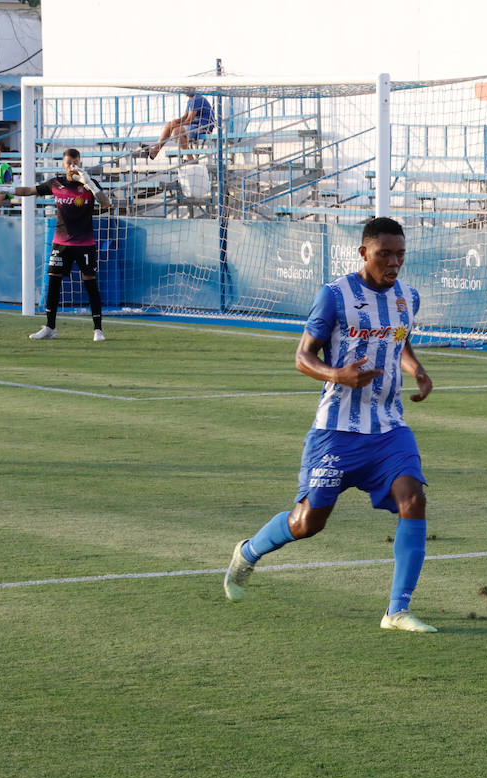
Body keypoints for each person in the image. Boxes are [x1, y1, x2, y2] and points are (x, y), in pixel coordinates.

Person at [222, 216, 439, 634]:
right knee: (308, 523)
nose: (393, 263)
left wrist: (418, 370)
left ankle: (396, 610)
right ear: (363, 252)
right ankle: (247, 552)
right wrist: (339, 375)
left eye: (400, 255)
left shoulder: (408, 296)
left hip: (389, 428)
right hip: (336, 431)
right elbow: (303, 357)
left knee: (414, 499)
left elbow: (400, 339)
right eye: (384, 254)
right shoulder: (335, 295)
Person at [3, 148, 113, 342]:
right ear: (63, 164)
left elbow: (106, 204)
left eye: (76, 162)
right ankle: (49, 327)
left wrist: (90, 185)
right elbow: (28, 190)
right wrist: (5, 190)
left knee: (90, 284)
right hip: (61, 243)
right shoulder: (56, 183)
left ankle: (98, 329)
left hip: (84, 243)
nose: (73, 166)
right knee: (53, 283)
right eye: (69, 163)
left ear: (80, 162)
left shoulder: (89, 183)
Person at [145, 90, 216, 161]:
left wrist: (176, 125)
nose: (184, 91)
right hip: (195, 125)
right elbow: (185, 117)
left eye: (185, 88)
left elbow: (189, 120)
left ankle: (190, 158)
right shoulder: (190, 100)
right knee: (169, 125)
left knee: (177, 131)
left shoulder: (197, 99)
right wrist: (176, 121)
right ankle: (155, 150)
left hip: (204, 127)